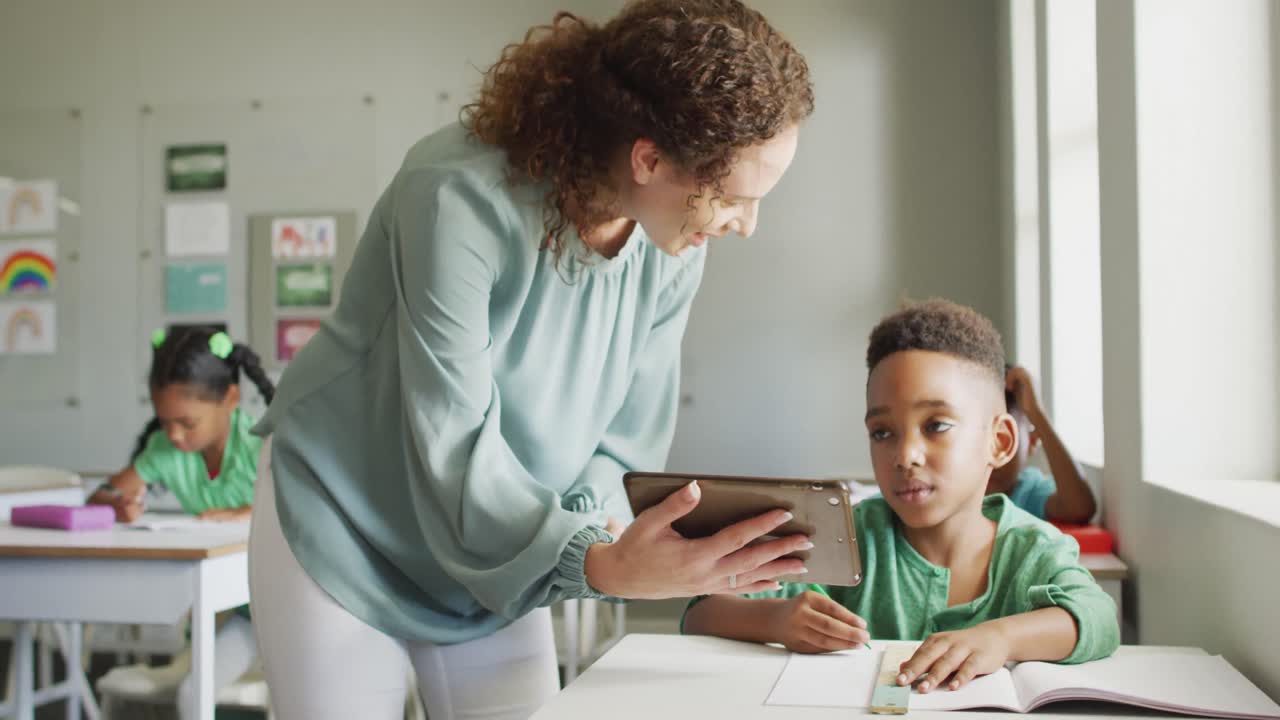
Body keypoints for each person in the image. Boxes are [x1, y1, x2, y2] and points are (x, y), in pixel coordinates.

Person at [247, 2, 816, 718]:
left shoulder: (673, 245)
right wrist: (596, 562)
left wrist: (600, 539)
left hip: (501, 541)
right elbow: (450, 439)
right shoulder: (456, 196)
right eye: (734, 197)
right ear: (649, 160)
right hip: (348, 518)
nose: (747, 225)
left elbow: (624, 443)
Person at [683, 299, 1119, 692]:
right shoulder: (847, 539)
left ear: (1000, 442)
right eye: (882, 432)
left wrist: (1000, 638)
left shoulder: (1032, 550)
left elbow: (1099, 618)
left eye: (936, 426)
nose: (904, 455)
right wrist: (776, 619)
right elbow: (701, 611)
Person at [89, 326, 273, 718]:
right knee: (193, 696)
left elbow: (306, 510)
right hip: (228, 615)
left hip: (276, 610)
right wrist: (118, 505)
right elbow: (101, 497)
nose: (174, 434)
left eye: (187, 423)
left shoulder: (262, 445)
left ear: (230, 399)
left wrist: (251, 512)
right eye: (164, 421)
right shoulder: (165, 450)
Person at [986, 364, 1098, 523]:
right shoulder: (956, 490)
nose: (992, 455)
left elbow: (1080, 508)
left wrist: (1036, 412)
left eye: (1003, 439)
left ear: (1032, 443)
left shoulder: (1028, 492)